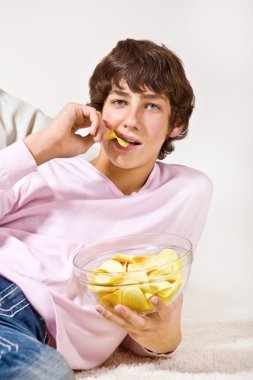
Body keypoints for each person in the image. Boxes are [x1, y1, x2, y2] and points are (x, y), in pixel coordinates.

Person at [0, 39, 212, 379]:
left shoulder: (187, 192)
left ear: (177, 125)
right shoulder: (47, 168)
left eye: (152, 106)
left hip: (36, 338)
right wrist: (42, 146)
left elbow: (156, 308)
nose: (131, 120)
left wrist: (165, 341)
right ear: (99, 111)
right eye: (119, 101)